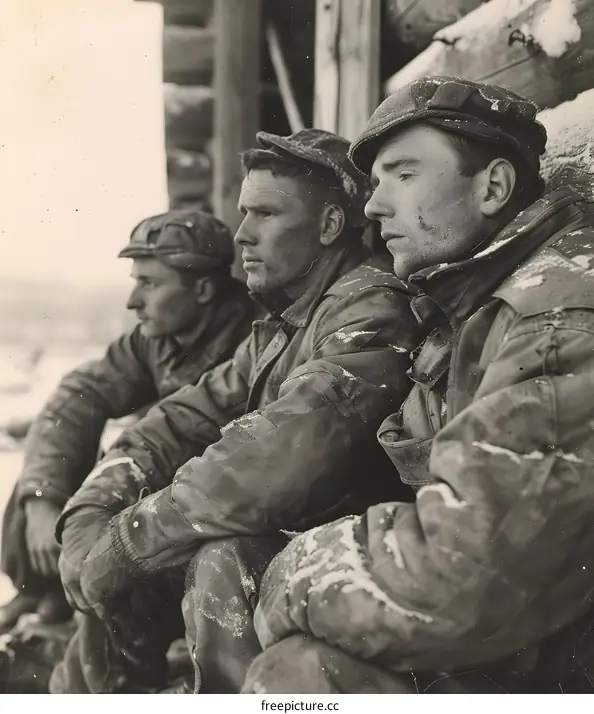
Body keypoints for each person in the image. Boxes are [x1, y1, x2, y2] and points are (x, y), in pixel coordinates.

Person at [241, 76, 594, 695]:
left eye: (403, 175)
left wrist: (292, 572)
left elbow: (464, 574)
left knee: (297, 676)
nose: (375, 206)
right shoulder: (463, 310)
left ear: (492, 188)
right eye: (376, 182)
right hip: (528, 643)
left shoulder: (555, 317)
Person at [50, 129, 421, 694]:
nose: (243, 235)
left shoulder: (371, 309)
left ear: (328, 227)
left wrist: (127, 541)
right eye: (243, 213)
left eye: (266, 214)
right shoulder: (284, 324)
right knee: (118, 573)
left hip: (365, 571)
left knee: (221, 556)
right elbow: (177, 421)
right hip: (310, 556)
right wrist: (93, 514)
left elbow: (276, 453)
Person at [0, 209, 258, 633]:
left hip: (205, 507)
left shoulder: (252, 338)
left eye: (150, 284)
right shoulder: (155, 339)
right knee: (60, 451)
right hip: (168, 495)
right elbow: (78, 398)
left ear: (205, 289)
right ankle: (39, 586)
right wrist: (42, 499)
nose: (132, 300)